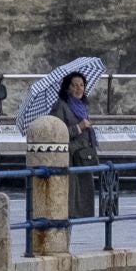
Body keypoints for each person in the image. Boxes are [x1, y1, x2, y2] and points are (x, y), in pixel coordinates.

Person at [48, 71, 99, 218]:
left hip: (82, 157)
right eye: (75, 85)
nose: (79, 89)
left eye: (82, 85)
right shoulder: (60, 106)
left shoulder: (82, 106)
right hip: (69, 158)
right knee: (70, 198)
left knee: (82, 195)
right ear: (67, 88)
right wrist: (79, 128)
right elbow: (56, 132)